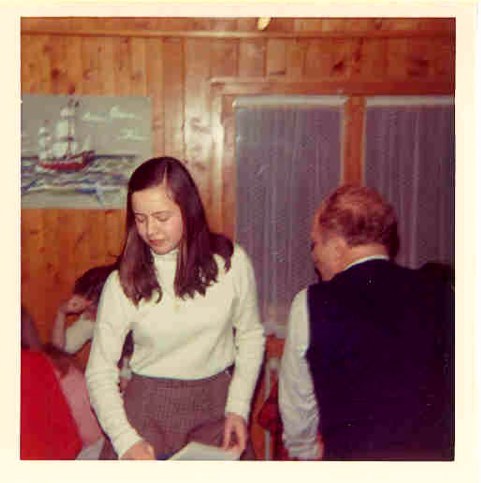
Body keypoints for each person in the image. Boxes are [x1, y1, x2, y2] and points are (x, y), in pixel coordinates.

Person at [86, 156, 265, 460]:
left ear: (188, 210)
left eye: (161, 217)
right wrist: (125, 440)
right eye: (140, 219)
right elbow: (99, 372)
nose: (150, 230)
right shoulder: (122, 282)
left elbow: (250, 336)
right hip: (146, 413)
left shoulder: (231, 264)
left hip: (217, 406)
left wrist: (239, 407)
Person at [279, 185, 454, 461]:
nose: (314, 255)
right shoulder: (441, 292)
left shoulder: (309, 304)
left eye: (315, 244)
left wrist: (308, 453)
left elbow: (297, 413)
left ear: (337, 248)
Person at [51, 264, 133, 391]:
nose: (86, 312)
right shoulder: (90, 320)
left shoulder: (130, 319)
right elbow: (59, 350)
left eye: (91, 306)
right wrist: (61, 313)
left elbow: (126, 380)